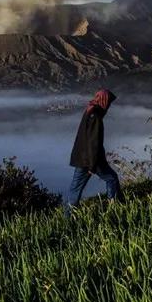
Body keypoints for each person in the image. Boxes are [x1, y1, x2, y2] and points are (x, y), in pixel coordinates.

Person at [65, 88, 121, 217]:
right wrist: (92, 166)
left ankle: (68, 217)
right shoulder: (96, 117)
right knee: (112, 179)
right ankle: (115, 206)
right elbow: (93, 143)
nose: (109, 105)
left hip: (81, 158)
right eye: (109, 102)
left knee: (75, 189)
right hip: (91, 160)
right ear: (104, 101)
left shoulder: (89, 111)